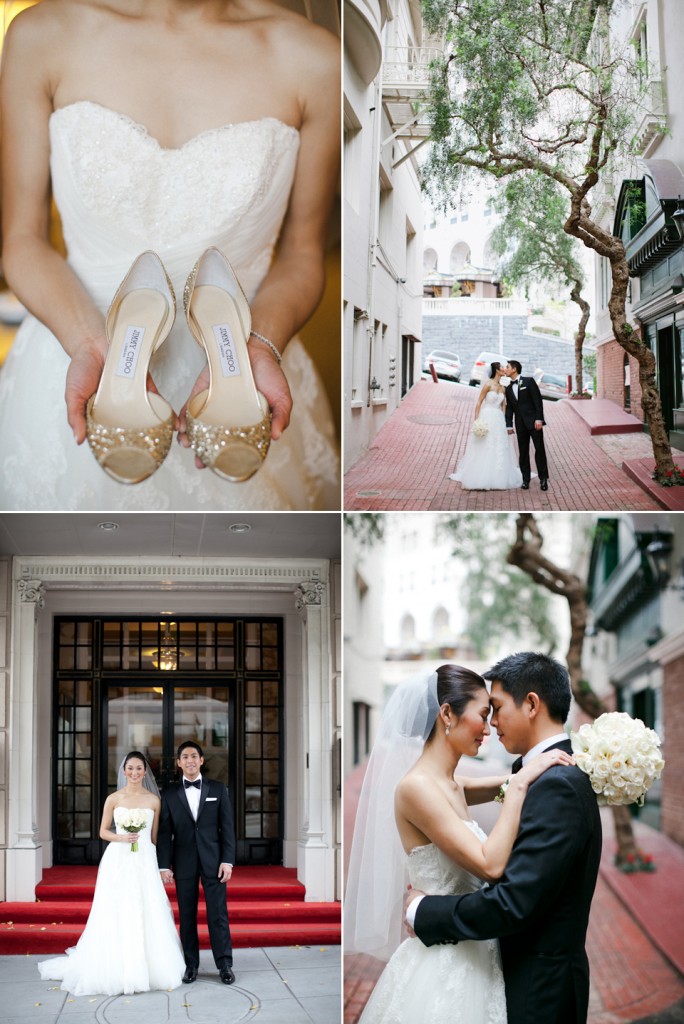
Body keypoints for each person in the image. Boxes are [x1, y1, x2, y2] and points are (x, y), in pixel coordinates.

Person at [0, 0, 340, 510]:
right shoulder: (39, 35)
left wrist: (263, 345)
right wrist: (89, 344)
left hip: (243, 377)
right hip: (74, 348)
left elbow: (302, 252)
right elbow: (22, 240)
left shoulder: (315, 60)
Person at [345, 664, 574, 1024]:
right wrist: (518, 786)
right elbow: (490, 865)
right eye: (483, 715)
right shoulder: (417, 788)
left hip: (477, 952)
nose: (488, 728)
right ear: (447, 713)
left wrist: (539, 767)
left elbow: (500, 782)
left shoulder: (451, 783)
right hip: (443, 963)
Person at [407, 653, 602, 1024]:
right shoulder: (541, 773)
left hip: (538, 988)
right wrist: (519, 778)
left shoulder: (556, 783)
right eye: (485, 713)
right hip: (500, 974)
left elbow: (513, 901)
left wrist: (422, 911)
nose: (491, 724)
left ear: (531, 704)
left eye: (494, 709)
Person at [38, 751, 185, 996]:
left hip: (145, 859)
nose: (135, 773)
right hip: (118, 859)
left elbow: (154, 837)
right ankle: (117, 967)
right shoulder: (113, 798)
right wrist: (122, 837)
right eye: (130, 768)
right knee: (117, 909)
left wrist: (161, 866)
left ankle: (151, 968)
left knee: (148, 908)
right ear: (124, 770)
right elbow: (103, 832)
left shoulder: (154, 801)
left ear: (146, 771)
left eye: (139, 768)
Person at [157, 740, 236, 985]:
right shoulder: (168, 793)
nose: (190, 760)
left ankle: (224, 965)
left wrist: (227, 861)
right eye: (185, 757)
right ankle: (191, 965)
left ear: (201, 760)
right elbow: (164, 833)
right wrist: (163, 865)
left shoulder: (218, 789)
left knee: (218, 915)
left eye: (194, 756)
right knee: (187, 915)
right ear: (179, 763)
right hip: (184, 862)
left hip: (214, 861)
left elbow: (228, 829)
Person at [450, 361, 522, 490]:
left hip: (498, 419)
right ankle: (480, 476)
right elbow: (479, 403)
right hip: (487, 416)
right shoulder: (488, 385)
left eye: (505, 368)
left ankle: (498, 477)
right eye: (502, 368)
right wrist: (476, 421)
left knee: (499, 446)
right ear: (496, 370)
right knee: (485, 444)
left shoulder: (502, 387)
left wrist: (505, 422)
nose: (504, 369)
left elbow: (503, 406)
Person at [504, 361, 549, 491]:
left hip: (534, 423)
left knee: (539, 450)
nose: (505, 369)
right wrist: (509, 425)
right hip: (520, 425)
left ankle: (543, 479)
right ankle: (525, 479)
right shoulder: (508, 388)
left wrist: (539, 419)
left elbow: (537, 401)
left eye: (507, 367)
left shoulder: (529, 382)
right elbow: (509, 409)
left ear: (514, 369)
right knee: (523, 453)